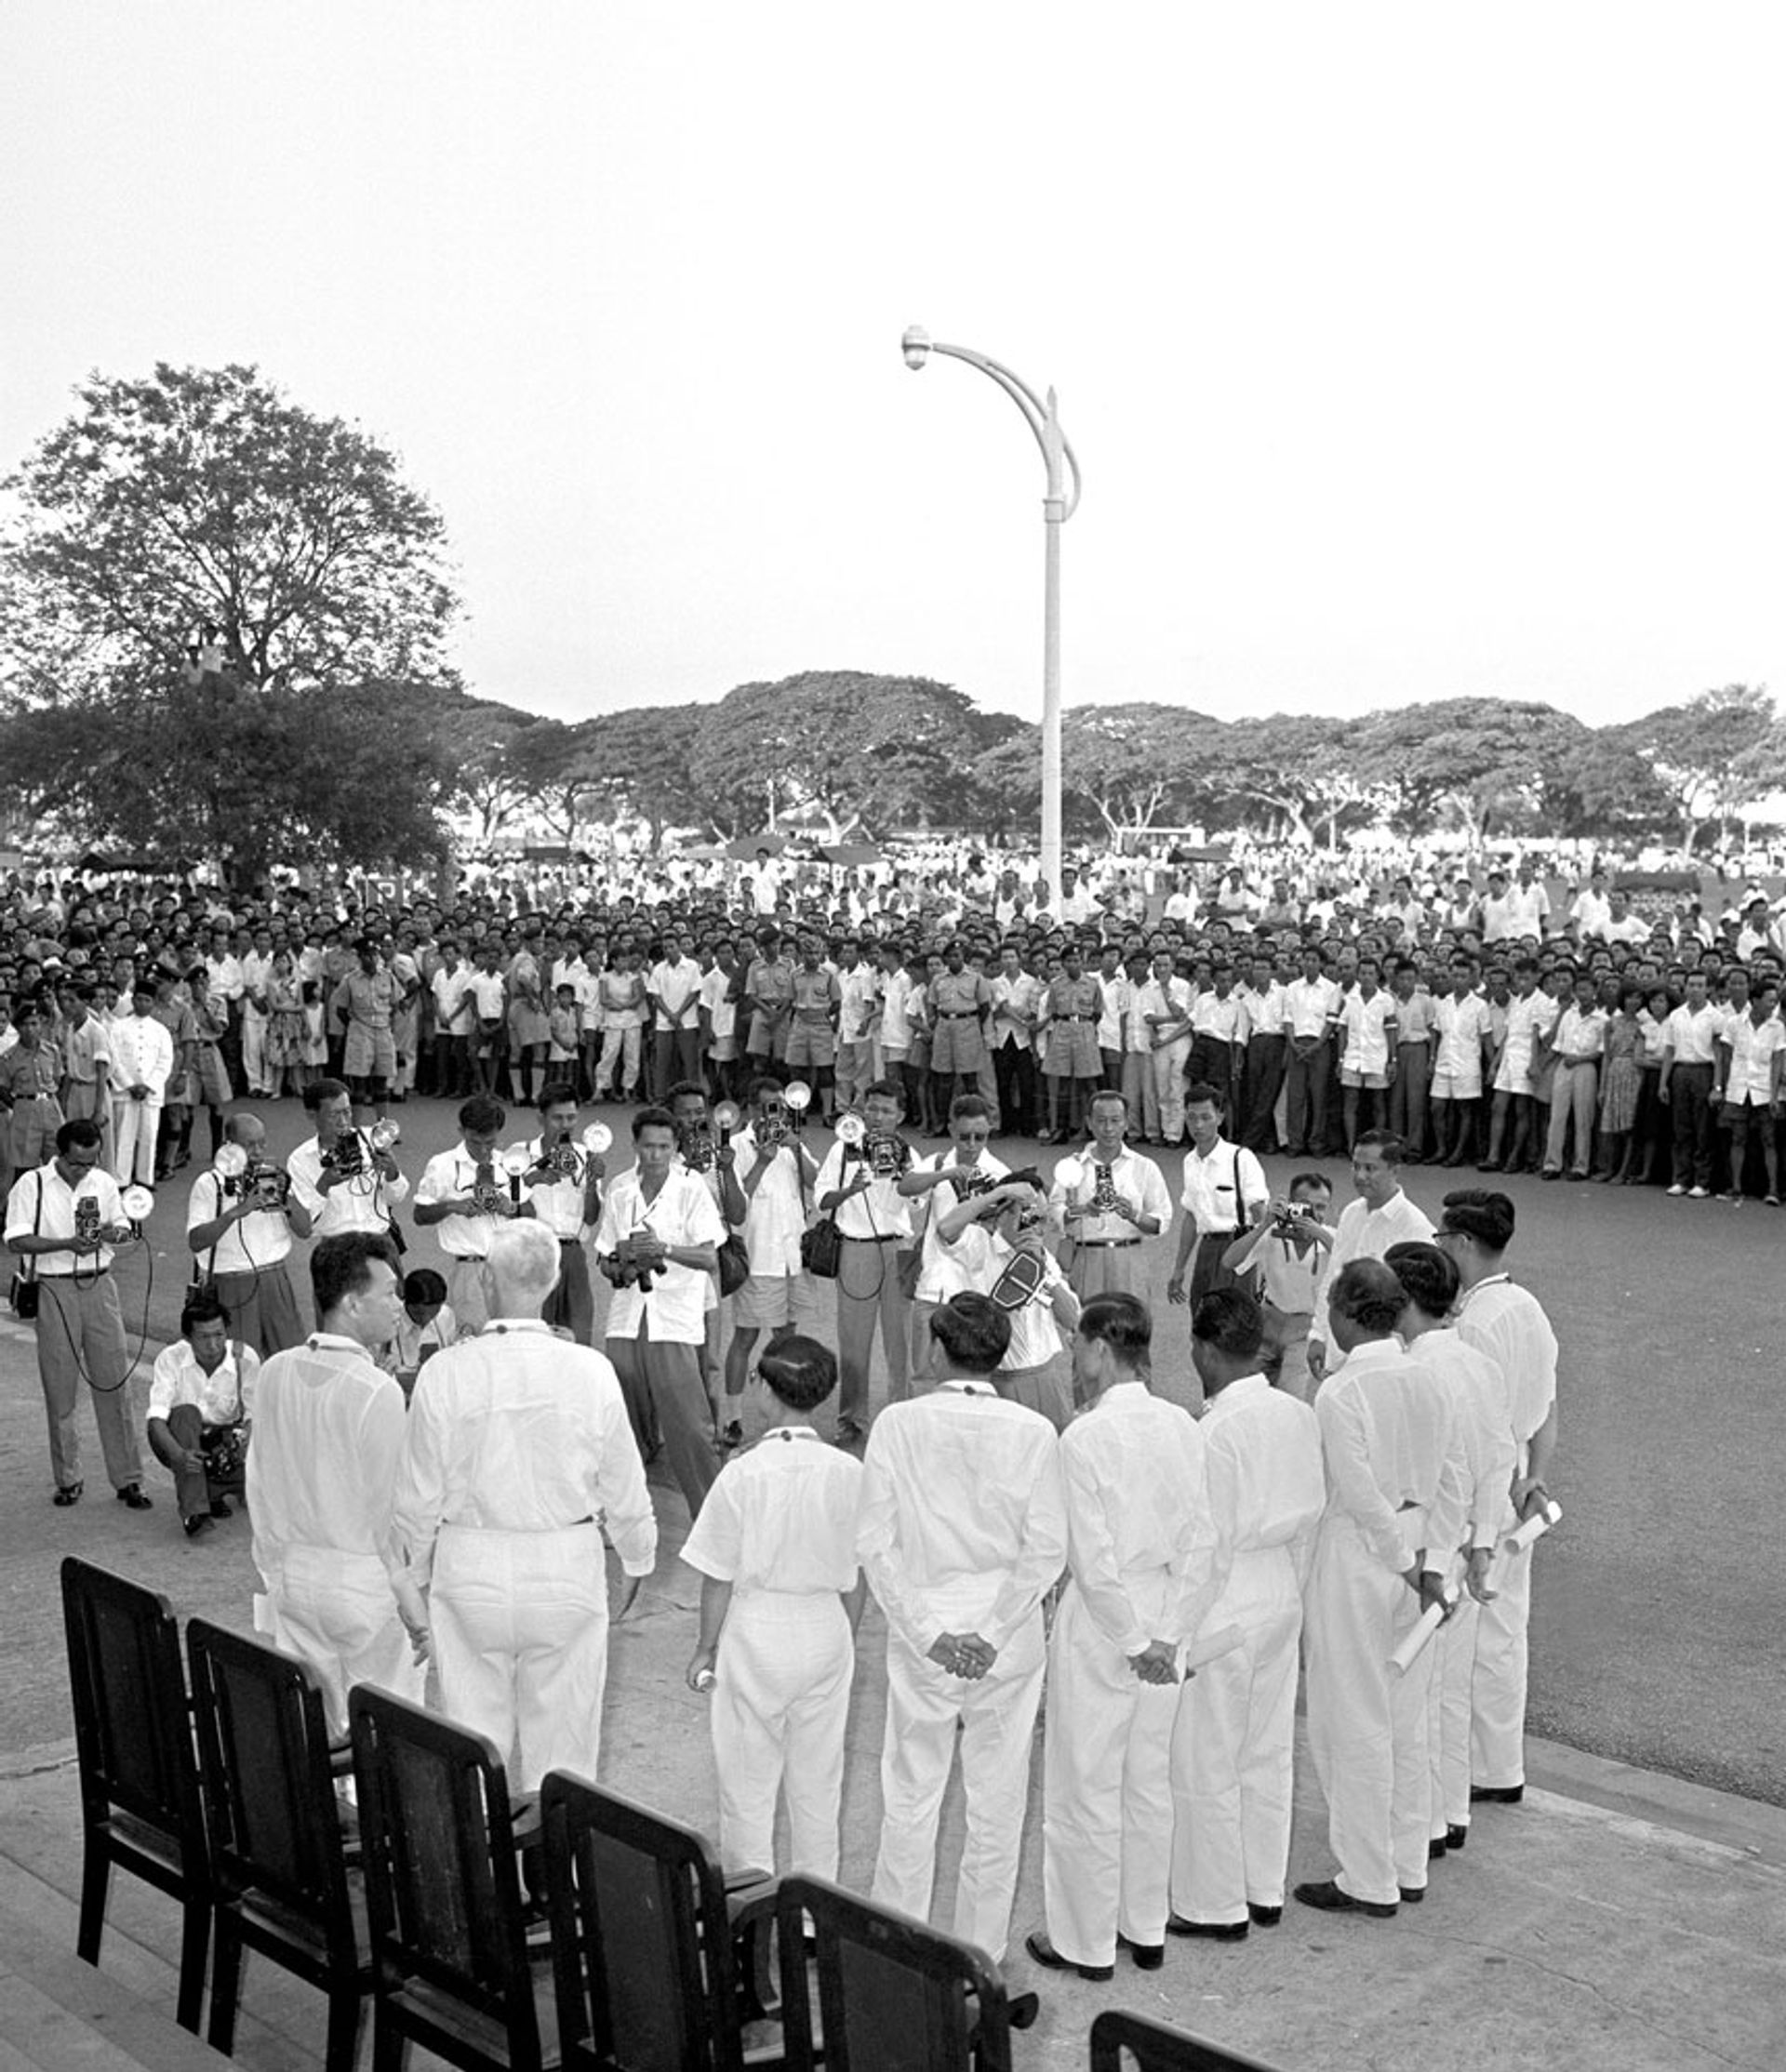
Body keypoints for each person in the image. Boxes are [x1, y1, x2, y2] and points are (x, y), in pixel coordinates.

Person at [393, 1220, 656, 1795]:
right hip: (565, 1562)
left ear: (486, 1278)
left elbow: (417, 1500)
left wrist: (411, 1586)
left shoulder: (446, 1370)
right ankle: (559, 1876)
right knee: (565, 1756)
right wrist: (637, 1556)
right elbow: (623, 1482)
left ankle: (482, 1872)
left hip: (470, 1565)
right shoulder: (591, 1370)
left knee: (473, 1748)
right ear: (555, 1279)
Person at [858, 1294, 1064, 2021]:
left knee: (911, 1792)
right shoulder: (1036, 1431)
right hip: (1004, 1635)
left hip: (929, 1623)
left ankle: (897, 1947)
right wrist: (996, 1630)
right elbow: (1047, 1548)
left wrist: (929, 1633)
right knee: (998, 1799)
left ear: (941, 1351)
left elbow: (874, 1544)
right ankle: (981, 1958)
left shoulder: (898, 1423)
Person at [1025, 1294, 1216, 1984]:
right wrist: (1170, 1635)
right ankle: (1144, 1926)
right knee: (1147, 1780)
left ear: (1101, 1349)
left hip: (1107, 1624)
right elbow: (1204, 1541)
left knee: (1085, 1782)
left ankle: (1085, 1941)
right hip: (1168, 1605)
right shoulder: (1183, 1425)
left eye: (1078, 1346)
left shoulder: (1085, 1437)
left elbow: (1092, 1555)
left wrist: (1135, 1640)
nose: (1075, 1360)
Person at [1296, 1260, 1464, 1917]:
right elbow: (1453, 1474)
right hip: (1421, 1546)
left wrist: (1404, 1562)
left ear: (1343, 1312)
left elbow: (1362, 1496)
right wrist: (1434, 1559)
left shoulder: (1340, 1393)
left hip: (1366, 1559)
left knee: (1351, 1717)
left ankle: (1367, 1875)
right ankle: (1405, 1860)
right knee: (1405, 1714)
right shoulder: (1428, 1376)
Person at [1168, 1288, 1325, 1937]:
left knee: (1208, 1754)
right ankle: (1263, 1888)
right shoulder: (1295, 1414)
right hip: (1281, 1588)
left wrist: (1175, 1633)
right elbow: (1311, 1518)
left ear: (1203, 1349)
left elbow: (1205, 1547)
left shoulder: (1212, 1432)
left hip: (1227, 1598)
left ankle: (1213, 1903)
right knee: (1266, 1750)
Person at [682, 1335, 865, 1879]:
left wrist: (705, 1647)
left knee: (747, 1782)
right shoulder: (849, 1473)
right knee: (818, 1783)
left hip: (757, 1628)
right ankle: (814, 1915)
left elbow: (718, 1576)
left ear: (765, 1391)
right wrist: (842, 1639)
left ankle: (751, 1908)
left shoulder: (743, 1473)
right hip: (825, 1624)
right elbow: (860, 1580)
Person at [247, 1231, 426, 1733]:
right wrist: (413, 1605)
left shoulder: (275, 1371)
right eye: (388, 1293)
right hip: (362, 1586)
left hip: (294, 1578)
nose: (398, 1305)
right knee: (388, 1735)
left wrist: (276, 1574)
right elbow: (392, 1513)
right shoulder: (376, 1390)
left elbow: (257, 1486)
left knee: (321, 1734)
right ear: (350, 1302)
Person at [1383, 1241, 1517, 1861]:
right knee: (1452, 1686)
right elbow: (1498, 1461)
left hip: (1424, 1553)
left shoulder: (1414, 1372)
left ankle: (1424, 1824)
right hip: (1464, 1547)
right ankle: (1450, 1812)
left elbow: (1445, 1476)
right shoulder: (1476, 1365)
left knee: (1413, 1698)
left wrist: (1434, 1561)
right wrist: (1485, 1542)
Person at [1435, 1190, 1560, 1809]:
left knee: (1460, 1634)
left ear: (1461, 1243)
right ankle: (1500, 1766)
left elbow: (1474, 1426)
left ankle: (1464, 1771)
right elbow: (1547, 1407)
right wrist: (1534, 1476)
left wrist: (1483, 1511)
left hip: (1483, 1484)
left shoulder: (1476, 1322)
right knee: (1506, 1630)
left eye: (1442, 1239)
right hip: (1516, 1478)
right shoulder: (1527, 1306)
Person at [4, 1117, 152, 1510]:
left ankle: (128, 1479)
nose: (84, 1170)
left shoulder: (103, 1183)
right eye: (76, 1163)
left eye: (90, 1162)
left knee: (113, 1384)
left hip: (100, 1284)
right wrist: (67, 1243)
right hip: (55, 1289)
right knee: (60, 1388)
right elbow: (15, 1239)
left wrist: (112, 1233)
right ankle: (68, 1478)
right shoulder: (32, 1184)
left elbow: (124, 1227)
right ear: (59, 1155)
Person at [593, 1104, 726, 1520]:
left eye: (664, 1147)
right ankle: (623, 1513)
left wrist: (663, 1249)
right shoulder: (620, 1193)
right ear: (635, 1146)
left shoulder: (692, 1190)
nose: (655, 1155)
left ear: (675, 1148)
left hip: (674, 1319)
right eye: (648, 1146)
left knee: (689, 1424)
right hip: (627, 1316)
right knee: (620, 1419)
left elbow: (709, 1258)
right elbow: (602, 1257)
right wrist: (620, 1266)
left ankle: (711, 1514)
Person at [931, 1169, 1079, 1429]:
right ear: (1003, 1215)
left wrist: (1043, 1269)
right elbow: (945, 1229)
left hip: (1047, 1378)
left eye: (1043, 1219)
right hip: (997, 1382)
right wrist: (999, 1193)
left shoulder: (1044, 1257)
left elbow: (1072, 1320)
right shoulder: (980, 1245)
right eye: (1030, 1217)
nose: (1039, 1227)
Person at [814, 1078, 916, 1443]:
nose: (877, 1117)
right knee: (854, 1341)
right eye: (871, 1108)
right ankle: (852, 1419)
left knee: (899, 1340)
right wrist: (850, 1189)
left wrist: (904, 1172)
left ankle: (899, 1416)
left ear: (900, 1116)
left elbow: (918, 1201)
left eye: (887, 1111)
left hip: (896, 1249)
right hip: (854, 1247)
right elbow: (822, 1199)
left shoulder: (907, 1151)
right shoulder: (842, 1150)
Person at [722, 1077, 821, 1408]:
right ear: (751, 1108)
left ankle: (784, 1405)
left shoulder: (792, 1142)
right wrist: (763, 1160)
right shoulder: (737, 1145)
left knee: (788, 1337)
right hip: (758, 1257)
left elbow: (816, 1184)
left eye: (779, 1107)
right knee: (746, 1336)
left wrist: (793, 1145)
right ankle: (733, 1417)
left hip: (793, 1256)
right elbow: (735, 1203)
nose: (773, 1115)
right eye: (767, 1108)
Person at [1305, 1132, 1434, 1384]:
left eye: (1370, 1168)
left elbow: (1421, 1308)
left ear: (1395, 1170)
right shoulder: (1352, 1213)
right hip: (1338, 1354)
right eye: (1355, 1166)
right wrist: (1318, 1334)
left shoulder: (1416, 1228)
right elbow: (1333, 1276)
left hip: (1384, 1366)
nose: (1360, 1176)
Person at [185, 1110, 311, 1356]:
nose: (258, 1152)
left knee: (289, 1358)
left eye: (262, 1143)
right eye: (250, 1145)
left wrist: (286, 1199)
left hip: (275, 1277)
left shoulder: (273, 1178)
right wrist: (235, 1213)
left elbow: (305, 1229)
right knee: (240, 1365)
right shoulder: (210, 1183)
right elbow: (196, 1241)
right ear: (229, 1146)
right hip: (232, 1281)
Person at [146, 1287, 259, 1538]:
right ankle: (195, 1512)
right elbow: (156, 1420)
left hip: (225, 1442)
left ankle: (213, 1491)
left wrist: (245, 1445)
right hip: (180, 1440)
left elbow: (255, 1415)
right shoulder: (170, 1358)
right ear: (187, 1338)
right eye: (203, 1337)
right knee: (185, 1414)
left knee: (266, 1486)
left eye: (219, 1335)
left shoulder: (245, 1358)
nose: (213, 1345)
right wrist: (179, 1456)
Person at [1218, 1171, 1335, 1401]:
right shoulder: (1273, 1233)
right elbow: (1229, 1261)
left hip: (1305, 1330)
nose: (1312, 1214)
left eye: (1320, 1208)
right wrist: (1264, 1225)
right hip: (1268, 1320)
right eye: (1305, 1206)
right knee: (1246, 1393)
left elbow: (1354, 1263)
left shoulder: (1332, 1239)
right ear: (1290, 1205)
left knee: (1290, 1397)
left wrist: (1319, 1234)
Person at [1050, 1090, 1171, 1311]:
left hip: (1129, 1258)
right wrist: (1084, 1210)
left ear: (1126, 1123)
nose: (1108, 1129)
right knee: (1088, 1332)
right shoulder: (1072, 1165)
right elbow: (1055, 1214)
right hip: (1087, 1258)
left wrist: (1133, 1214)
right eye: (1101, 1121)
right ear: (1089, 1123)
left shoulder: (1144, 1166)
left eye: (1115, 1121)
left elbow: (1161, 1223)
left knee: (1132, 1333)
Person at [413, 1095, 521, 1333]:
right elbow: (419, 1215)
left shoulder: (510, 1165)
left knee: (510, 1341)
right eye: (475, 1142)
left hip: (508, 1266)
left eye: (490, 1142)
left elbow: (526, 1215)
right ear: (461, 1131)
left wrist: (510, 1207)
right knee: (471, 1339)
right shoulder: (441, 1165)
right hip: (469, 1269)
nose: (483, 1150)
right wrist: (453, 1206)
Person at [1166, 1082, 1269, 1314]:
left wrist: (1266, 1268)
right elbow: (1192, 1217)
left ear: (1220, 1117)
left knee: (1234, 1327)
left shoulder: (1241, 1158)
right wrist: (1179, 1268)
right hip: (1207, 1250)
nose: (1198, 1125)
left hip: (1239, 1250)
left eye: (1206, 1117)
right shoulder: (1189, 1162)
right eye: (1192, 1117)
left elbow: (1261, 1216)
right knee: (1202, 1323)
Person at [516, 1082, 606, 1344]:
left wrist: (591, 1182)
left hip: (573, 1253)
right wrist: (532, 1180)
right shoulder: (519, 1156)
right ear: (540, 1118)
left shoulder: (585, 1155)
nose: (565, 1125)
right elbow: (514, 1214)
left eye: (571, 1117)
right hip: (534, 1251)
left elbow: (591, 1217)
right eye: (557, 1118)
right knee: (533, 1336)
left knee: (578, 1338)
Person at [285, 1076, 411, 1243]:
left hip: (380, 1240)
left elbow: (396, 1198)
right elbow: (305, 1224)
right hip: (335, 1246)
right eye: (334, 1114)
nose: (343, 1121)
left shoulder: (371, 1140)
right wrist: (324, 1185)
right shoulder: (300, 1160)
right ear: (312, 1115)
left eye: (347, 1111)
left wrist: (392, 1173)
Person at [108, 979, 175, 1187]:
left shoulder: (160, 1030)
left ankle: (145, 1179)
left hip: (150, 1093)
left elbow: (165, 1061)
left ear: (153, 1003)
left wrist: (148, 1085)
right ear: (133, 1000)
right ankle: (121, 1179)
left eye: (147, 1000)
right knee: (123, 1137)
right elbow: (114, 1058)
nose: (142, 1004)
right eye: (139, 999)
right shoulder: (118, 1027)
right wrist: (129, 1084)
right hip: (126, 1092)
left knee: (148, 1136)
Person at [328, 937, 400, 1116]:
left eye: (374, 954)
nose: (371, 959)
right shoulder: (350, 979)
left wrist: (387, 1022)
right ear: (360, 957)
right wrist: (354, 1026)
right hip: (360, 1031)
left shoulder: (388, 977)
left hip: (383, 1030)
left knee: (381, 1081)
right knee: (358, 1082)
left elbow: (396, 1003)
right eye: (367, 955)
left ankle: (382, 1126)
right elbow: (341, 1009)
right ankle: (355, 1128)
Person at [380, 1265, 459, 1401]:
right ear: (407, 1303)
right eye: (419, 1313)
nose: (425, 1320)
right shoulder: (388, 1321)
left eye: (433, 1313)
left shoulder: (445, 1316)